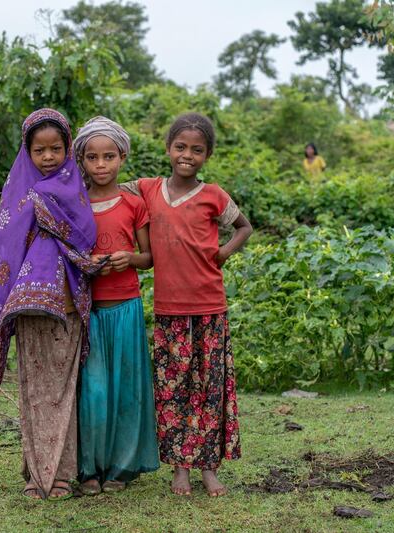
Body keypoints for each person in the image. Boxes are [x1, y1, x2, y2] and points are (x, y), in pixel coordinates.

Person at [0, 108, 102, 501]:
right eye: (39, 150)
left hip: (68, 308)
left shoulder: (77, 190)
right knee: (34, 393)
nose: (48, 157)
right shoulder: (18, 195)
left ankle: (63, 475)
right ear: (28, 151)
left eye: (55, 149)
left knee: (64, 392)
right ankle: (38, 476)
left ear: (68, 149)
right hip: (26, 312)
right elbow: (3, 255)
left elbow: (84, 239)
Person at [120, 112, 252, 497]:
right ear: (167, 149)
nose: (187, 155)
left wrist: (224, 252)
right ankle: (180, 469)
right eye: (180, 147)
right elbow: (106, 187)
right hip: (169, 311)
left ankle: (209, 468)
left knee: (209, 390)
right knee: (173, 391)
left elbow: (243, 226)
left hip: (210, 307)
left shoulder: (214, 195)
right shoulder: (146, 189)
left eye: (196, 149)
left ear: (207, 154)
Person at [72, 117, 160, 496]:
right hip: (87, 309)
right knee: (93, 391)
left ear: (122, 157)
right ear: (82, 161)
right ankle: (89, 467)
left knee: (125, 388)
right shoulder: (74, 202)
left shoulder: (133, 204)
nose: (101, 164)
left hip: (125, 306)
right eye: (92, 157)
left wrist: (128, 258)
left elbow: (149, 256)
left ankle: (122, 467)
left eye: (109, 156)